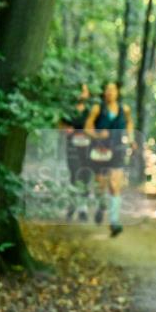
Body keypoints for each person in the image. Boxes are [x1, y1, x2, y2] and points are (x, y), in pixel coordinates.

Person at [84, 82, 135, 237]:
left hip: (118, 150)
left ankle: (114, 222)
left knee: (114, 184)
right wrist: (98, 135)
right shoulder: (97, 109)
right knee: (100, 185)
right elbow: (87, 128)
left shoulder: (124, 109)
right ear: (104, 92)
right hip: (100, 150)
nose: (110, 92)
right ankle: (101, 205)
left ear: (117, 92)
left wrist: (131, 139)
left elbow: (129, 123)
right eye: (107, 89)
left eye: (113, 89)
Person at [60, 83, 93, 221]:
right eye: (80, 91)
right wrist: (67, 130)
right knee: (74, 174)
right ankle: (72, 206)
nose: (82, 94)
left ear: (88, 94)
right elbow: (61, 126)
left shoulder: (91, 111)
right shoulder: (69, 110)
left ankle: (83, 209)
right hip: (72, 147)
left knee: (85, 175)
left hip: (87, 148)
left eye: (85, 91)